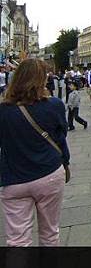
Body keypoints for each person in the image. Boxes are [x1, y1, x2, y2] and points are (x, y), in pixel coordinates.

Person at [0, 59, 70, 246]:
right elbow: (61, 137)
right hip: (49, 173)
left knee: (17, 241)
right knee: (50, 234)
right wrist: (66, 161)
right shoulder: (54, 105)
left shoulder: (3, 110)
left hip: (14, 179)